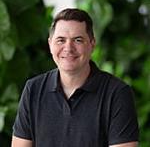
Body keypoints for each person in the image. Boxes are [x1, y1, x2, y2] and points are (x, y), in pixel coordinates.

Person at [11, 8, 139, 147]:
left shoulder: (117, 93)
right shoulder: (33, 89)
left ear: (92, 44)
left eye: (78, 40)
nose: (68, 48)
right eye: (61, 40)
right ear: (50, 44)